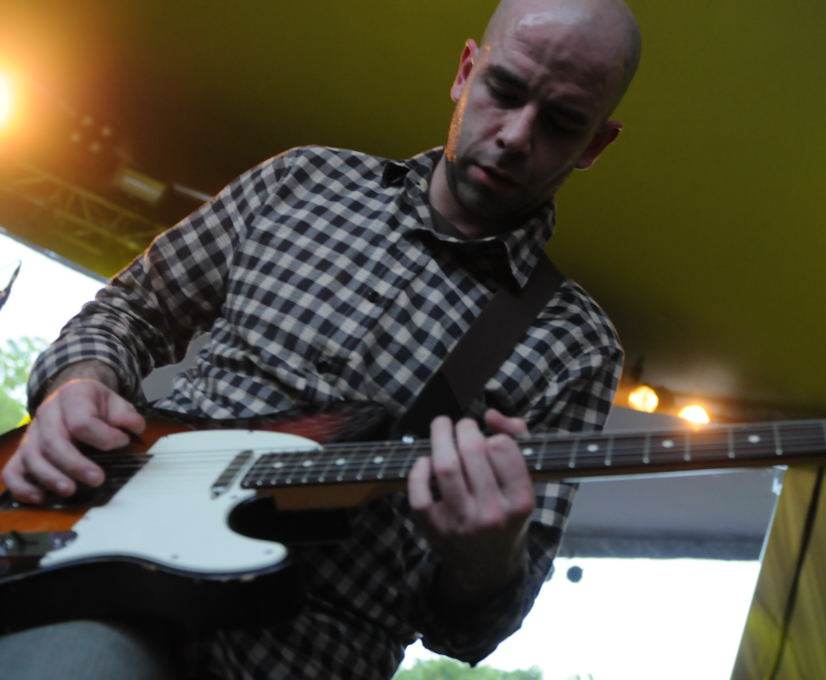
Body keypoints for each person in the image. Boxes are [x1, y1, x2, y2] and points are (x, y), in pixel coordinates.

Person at [0, 0, 642, 677]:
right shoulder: (305, 180)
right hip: (104, 586)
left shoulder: (575, 346)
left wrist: (486, 557)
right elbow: (133, 309)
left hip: (303, 657)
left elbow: (468, 633)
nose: (515, 135)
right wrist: (79, 384)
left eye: (561, 122)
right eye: (503, 90)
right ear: (464, 72)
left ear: (594, 145)